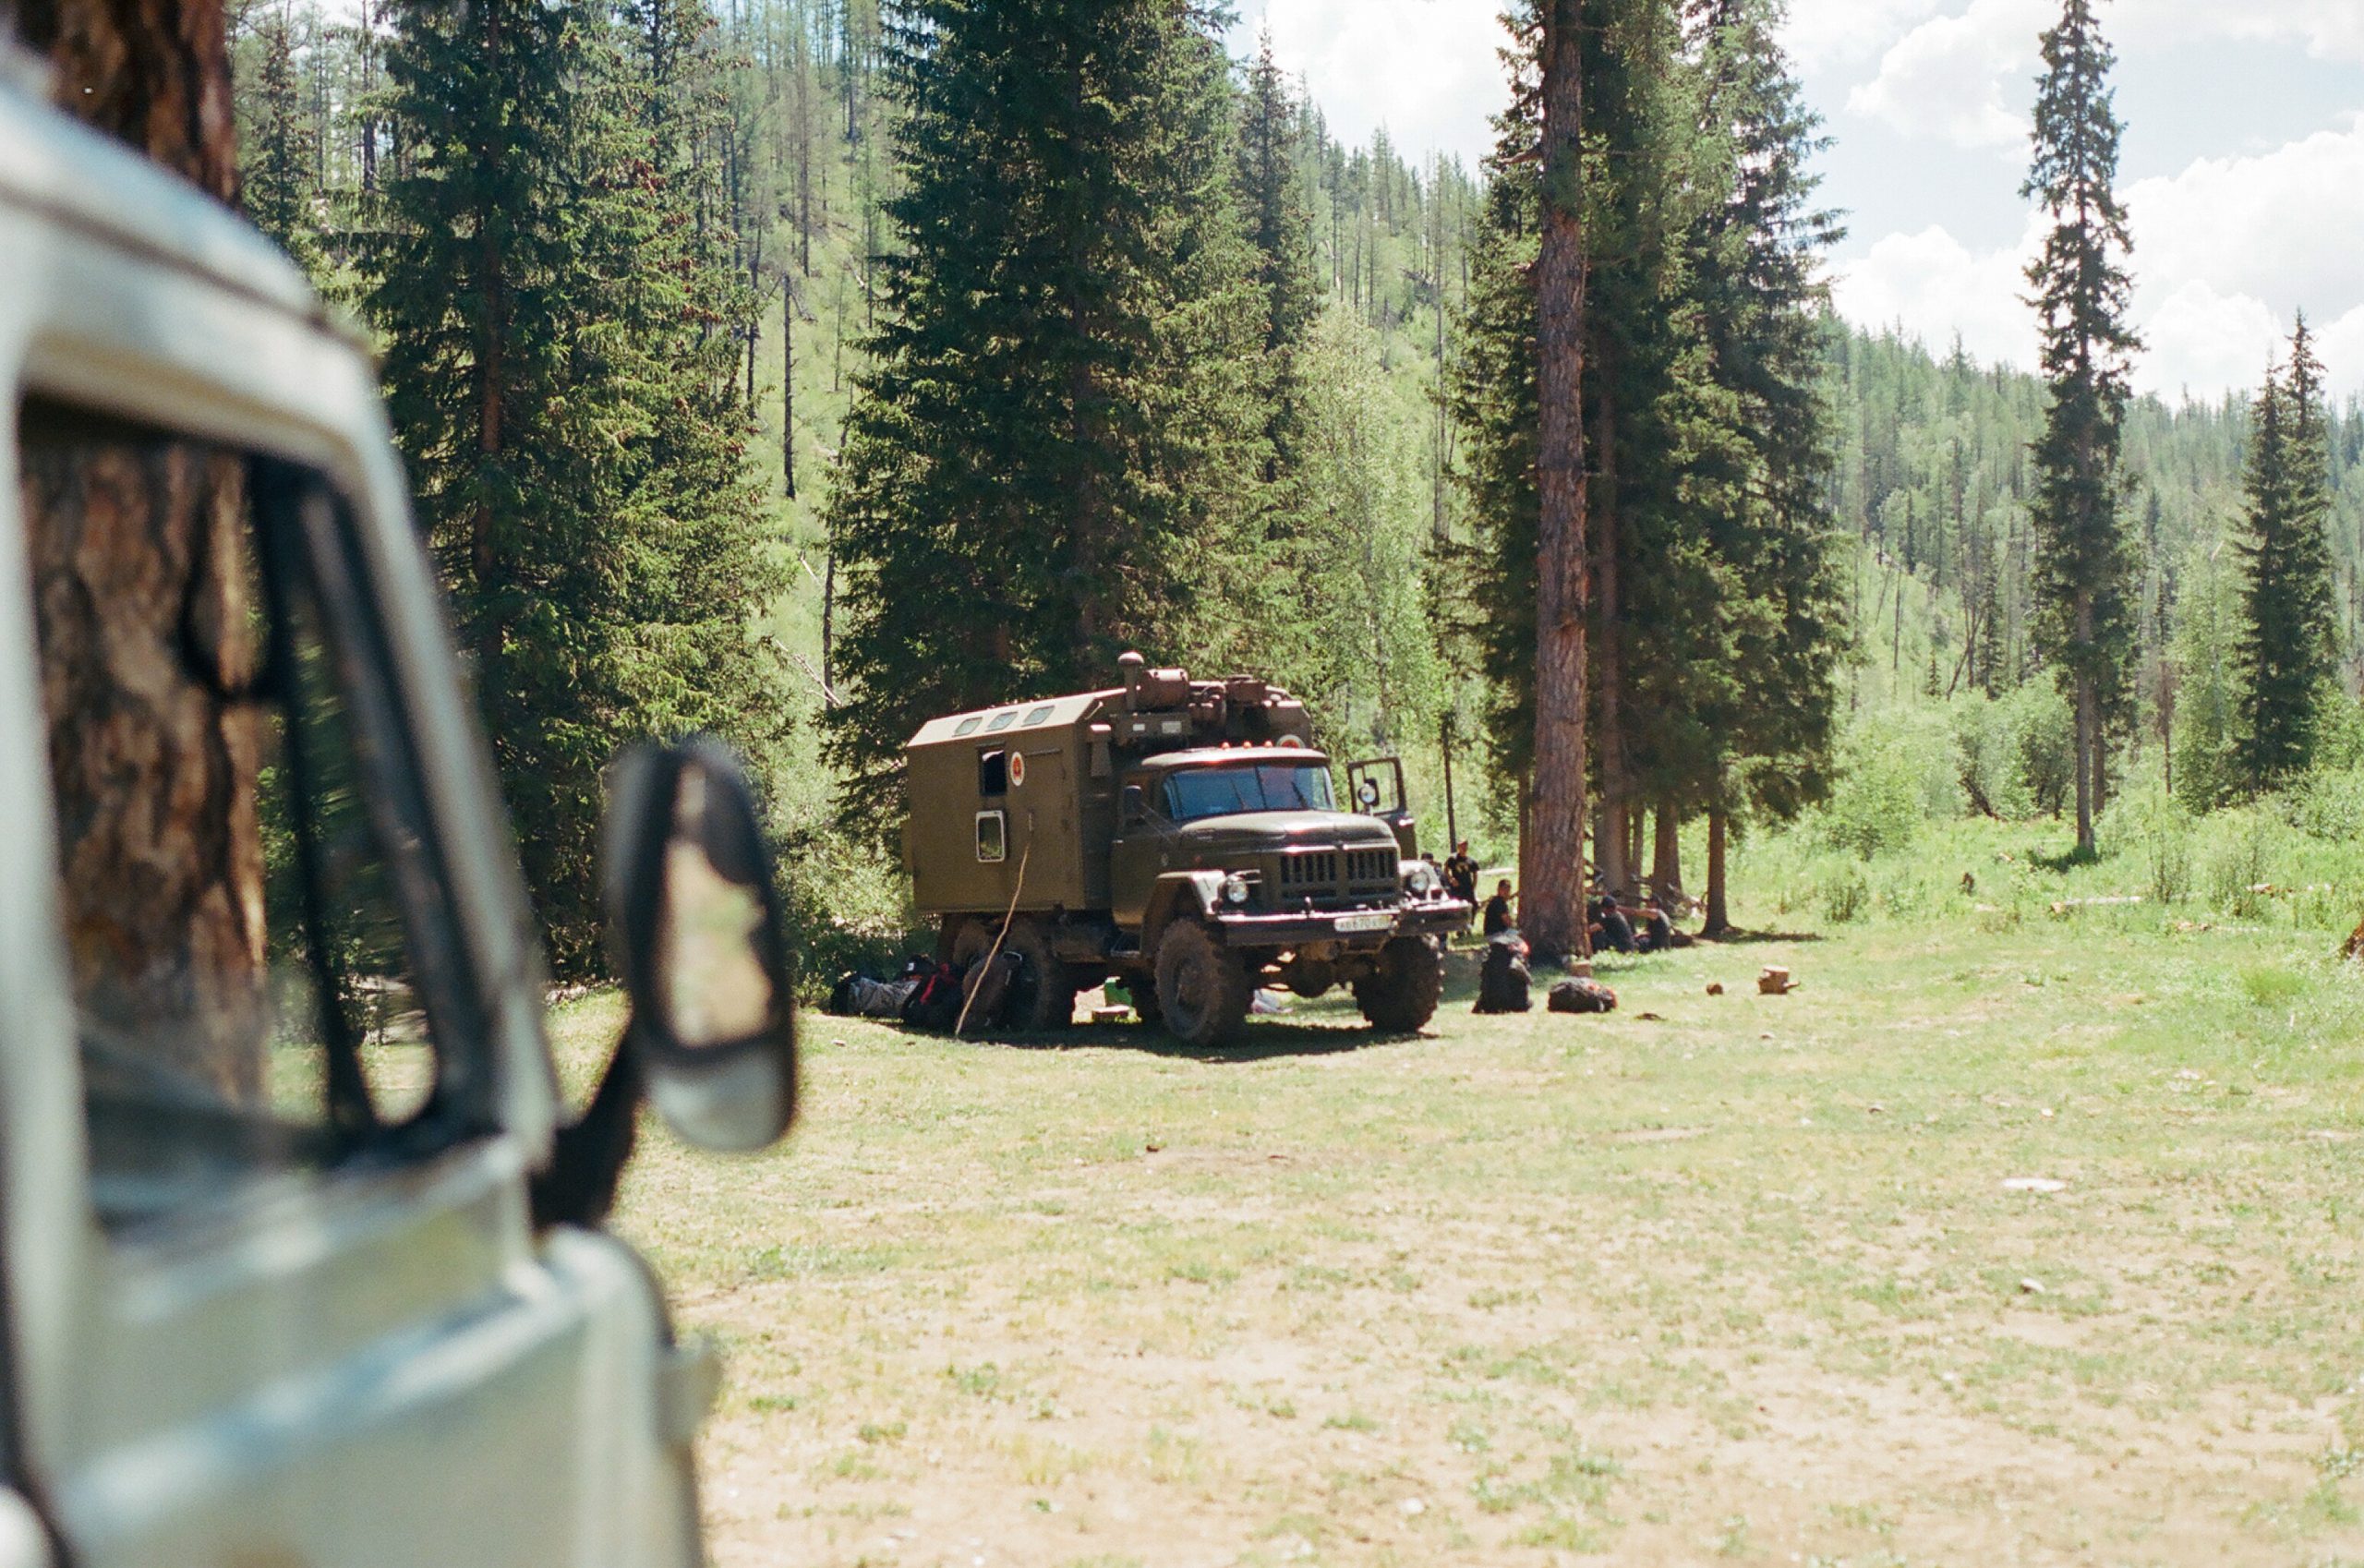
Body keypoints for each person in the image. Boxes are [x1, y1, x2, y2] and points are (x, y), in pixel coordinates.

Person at [1443, 839, 1479, 905]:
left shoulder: (1471, 861)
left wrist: (1473, 888)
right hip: (1456, 888)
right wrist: (1451, 879)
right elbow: (1446, 870)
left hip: (1467, 888)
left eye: (1465, 845)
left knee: (1472, 906)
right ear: (1458, 847)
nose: (1464, 848)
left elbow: (1475, 875)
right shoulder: (1453, 859)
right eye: (1462, 846)